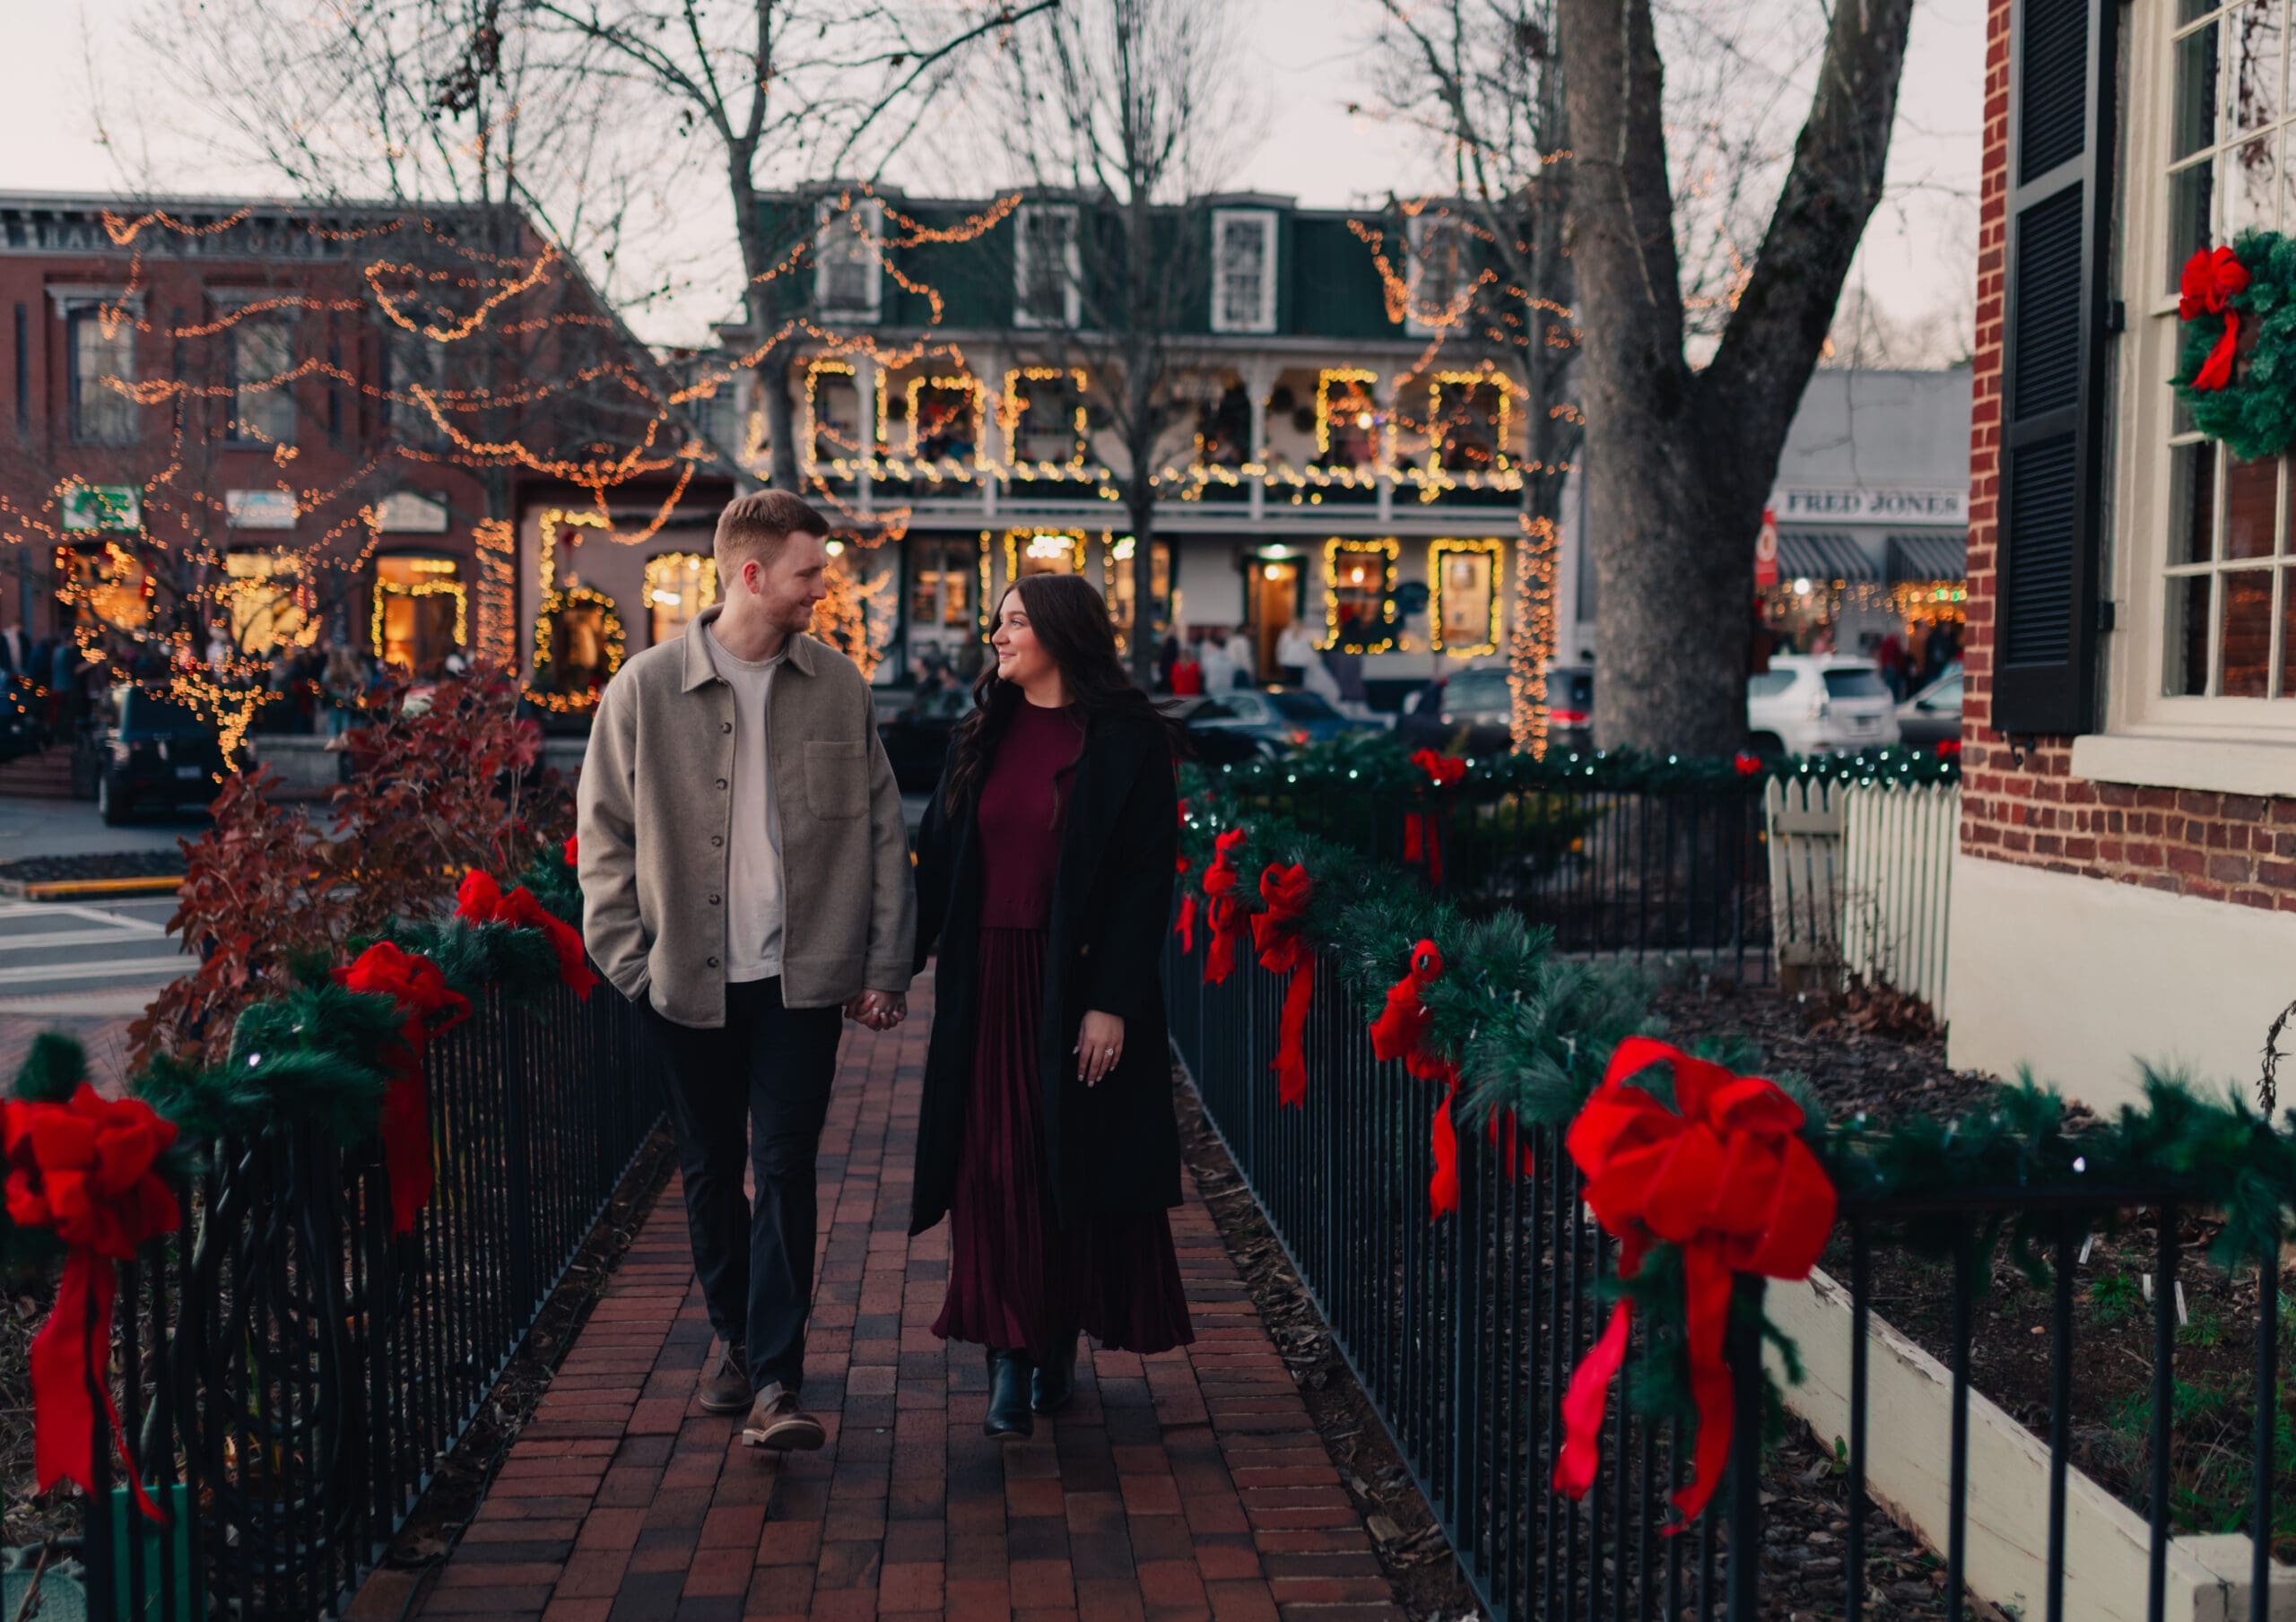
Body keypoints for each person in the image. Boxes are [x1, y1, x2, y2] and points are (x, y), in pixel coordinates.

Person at [578, 490, 917, 1453]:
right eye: (810, 572)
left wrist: (884, 961)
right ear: (753, 574)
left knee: (786, 1167)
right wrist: (631, 963)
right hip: (683, 979)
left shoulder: (838, 685)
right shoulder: (644, 689)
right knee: (708, 1170)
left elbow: (885, 829)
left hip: (798, 980)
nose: (823, 587)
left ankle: (774, 1379)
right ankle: (732, 1335)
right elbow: (601, 837)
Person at [909, 573, 1193, 1440]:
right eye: (997, 622)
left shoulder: (1128, 740)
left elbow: (1148, 878)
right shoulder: (978, 732)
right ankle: (1008, 1353)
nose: (997, 636)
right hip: (986, 980)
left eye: (1015, 622)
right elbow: (941, 860)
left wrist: (1111, 1002)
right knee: (988, 1163)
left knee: (1061, 1161)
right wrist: (892, 967)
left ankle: (1056, 1334)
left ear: (1062, 634)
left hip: (1075, 982)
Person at [1274, 620, 1317, 688]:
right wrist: (1279, 658)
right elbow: (1281, 647)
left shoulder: (1304, 635)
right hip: (1288, 662)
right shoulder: (1286, 634)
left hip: (1300, 663)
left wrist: (1310, 661)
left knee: (1298, 682)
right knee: (1289, 681)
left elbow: (1307, 649)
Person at [1196, 628, 1238, 695]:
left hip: (1211, 691)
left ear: (1214, 646)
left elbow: (1202, 671)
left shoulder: (1209, 660)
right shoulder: (1231, 660)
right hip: (1227, 690)